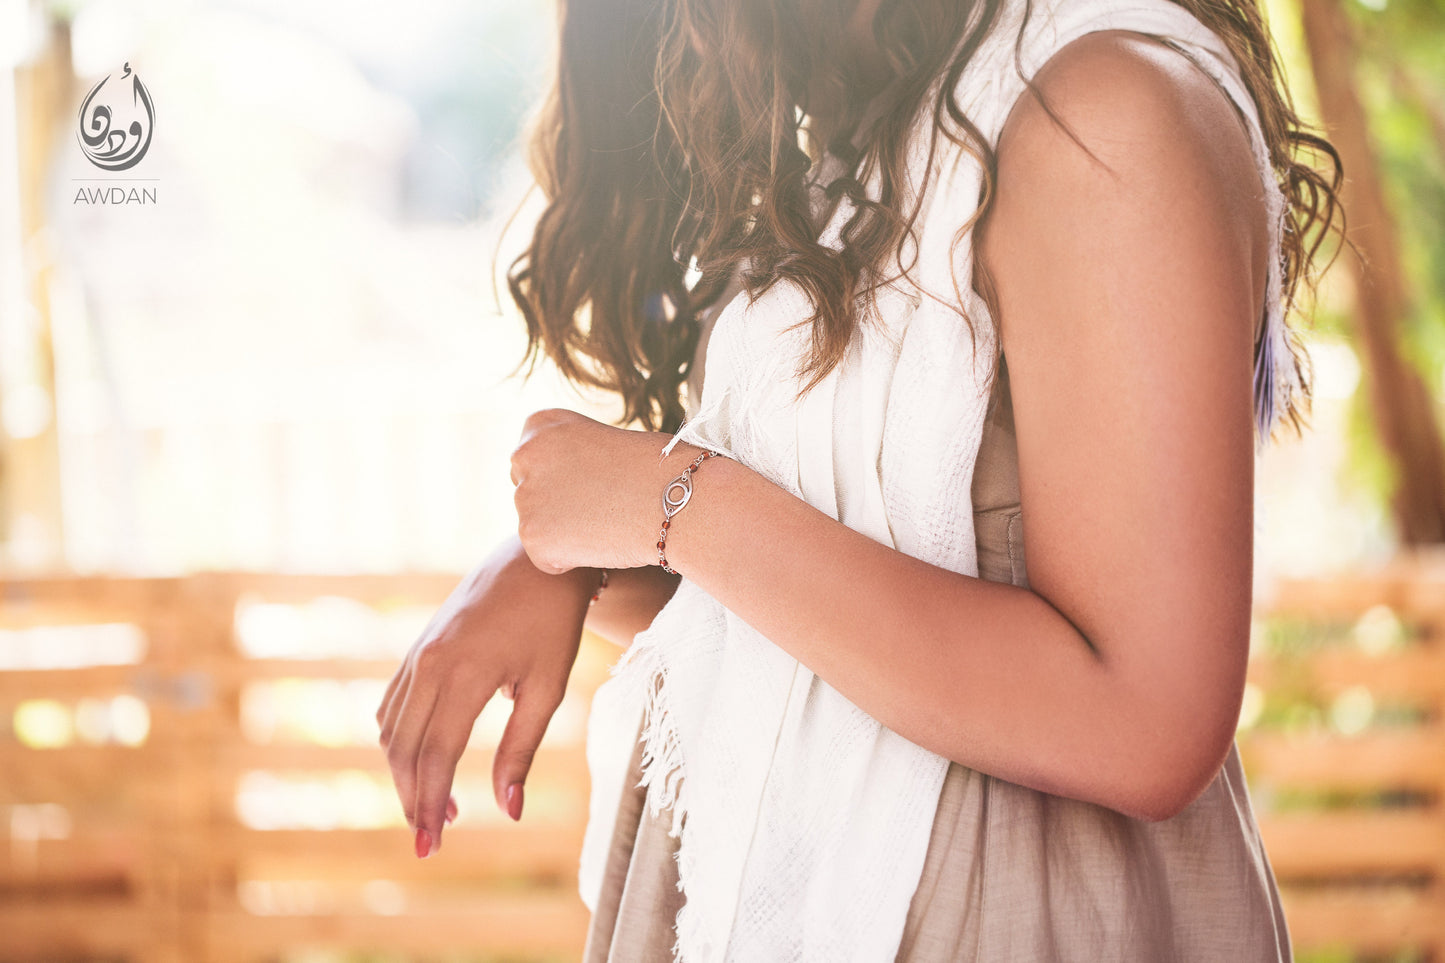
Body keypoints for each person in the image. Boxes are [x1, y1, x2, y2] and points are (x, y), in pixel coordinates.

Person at [376, 0, 1343, 958]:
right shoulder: (870, 130)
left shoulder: (1098, 108)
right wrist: (574, 561)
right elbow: (813, 621)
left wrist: (670, 499)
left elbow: (1146, 718)